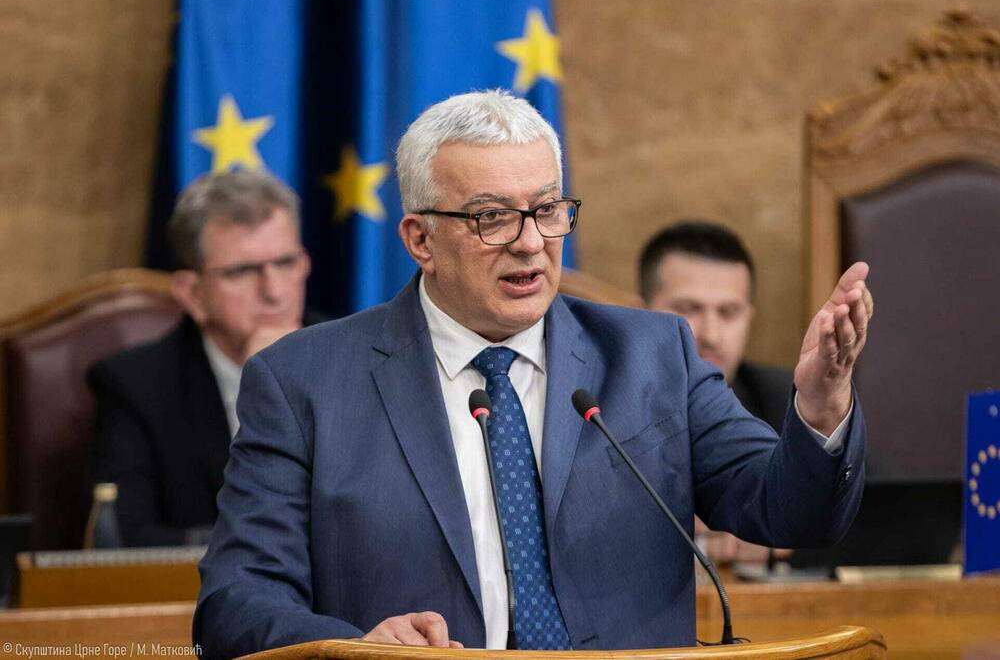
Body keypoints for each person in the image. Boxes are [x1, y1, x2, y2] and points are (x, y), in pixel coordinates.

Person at [194, 90, 873, 656]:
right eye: (491, 217)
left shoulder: (651, 354)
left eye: (547, 210)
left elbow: (789, 510)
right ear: (421, 239)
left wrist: (821, 406)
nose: (529, 242)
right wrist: (357, 648)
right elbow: (234, 602)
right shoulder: (304, 383)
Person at [87, 170, 315, 546]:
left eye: (285, 263)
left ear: (304, 264)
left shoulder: (361, 356)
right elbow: (121, 540)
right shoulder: (135, 387)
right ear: (192, 293)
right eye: (242, 271)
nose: (274, 292)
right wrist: (263, 390)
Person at [639, 222, 794, 564]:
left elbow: (882, 510)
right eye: (689, 309)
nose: (710, 335)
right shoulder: (590, 405)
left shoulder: (787, 401)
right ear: (640, 314)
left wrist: (785, 537)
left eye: (729, 313)